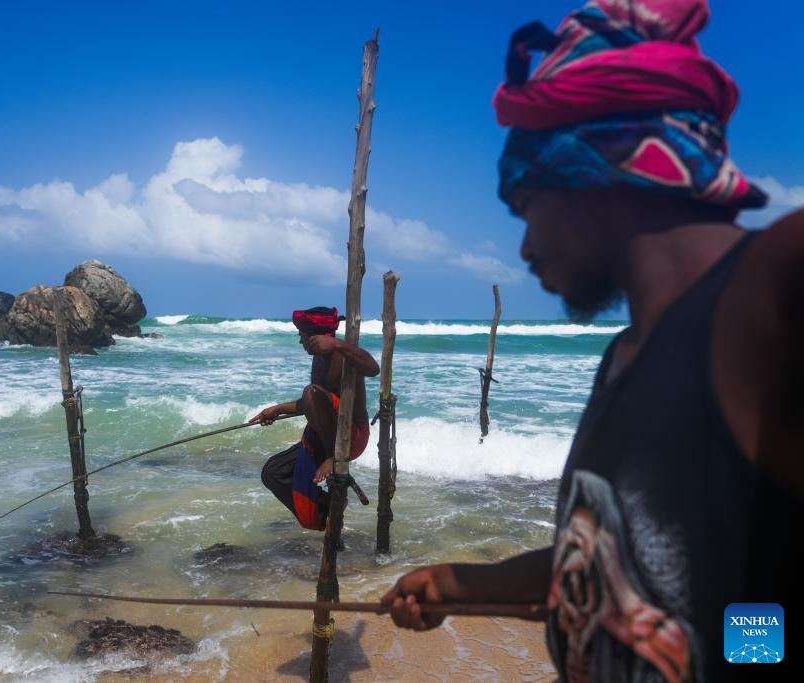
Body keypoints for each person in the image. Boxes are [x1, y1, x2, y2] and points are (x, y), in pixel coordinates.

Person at [381, 2, 802, 682]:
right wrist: (462, 584)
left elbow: (761, 609)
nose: (522, 247)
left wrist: (756, 647)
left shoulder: (766, 289)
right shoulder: (625, 357)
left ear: (588, 172)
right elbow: (621, 558)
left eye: (526, 207)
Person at [253, 306, 379, 531]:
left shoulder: (343, 355)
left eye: (302, 336)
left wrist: (339, 344)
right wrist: (277, 409)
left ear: (316, 338)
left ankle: (332, 457)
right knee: (272, 473)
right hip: (324, 434)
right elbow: (315, 403)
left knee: (310, 391)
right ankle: (325, 507)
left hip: (351, 435)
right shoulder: (318, 360)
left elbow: (373, 368)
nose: (300, 342)